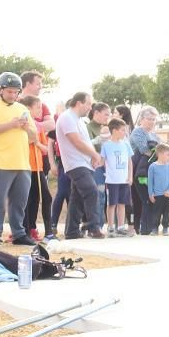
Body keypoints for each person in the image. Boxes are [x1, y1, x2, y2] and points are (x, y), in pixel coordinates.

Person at [0, 71, 37, 245]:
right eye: (9, 91)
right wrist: (10, 125)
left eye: (15, 91)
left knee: (19, 201)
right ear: (1, 90)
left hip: (22, 162)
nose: (12, 95)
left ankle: (19, 234)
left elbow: (33, 136)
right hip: (0, 162)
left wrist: (26, 127)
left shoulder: (22, 109)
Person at [54, 92, 104, 240]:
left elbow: (86, 143)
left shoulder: (80, 121)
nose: (90, 107)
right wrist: (95, 155)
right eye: (88, 104)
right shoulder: (67, 117)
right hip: (75, 163)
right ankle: (93, 227)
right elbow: (76, 142)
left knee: (77, 198)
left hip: (84, 163)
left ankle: (72, 231)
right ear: (79, 103)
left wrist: (92, 158)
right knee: (91, 191)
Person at [19, 71, 56, 241]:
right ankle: (24, 230)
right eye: (38, 109)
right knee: (26, 199)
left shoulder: (35, 125)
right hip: (26, 166)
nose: (41, 111)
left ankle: (48, 231)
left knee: (43, 197)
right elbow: (28, 141)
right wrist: (37, 143)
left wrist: (39, 143)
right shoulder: (23, 121)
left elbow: (42, 145)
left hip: (38, 166)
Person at [101, 119, 134, 236]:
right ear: (114, 131)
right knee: (111, 204)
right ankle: (110, 227)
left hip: (124, 180)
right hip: (111, 181)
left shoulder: (126, 144)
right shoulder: (106, 145)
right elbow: (101, 161)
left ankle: (120, 227)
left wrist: (130, 176)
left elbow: (130, 161)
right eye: (122, 130)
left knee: (122, 204)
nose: (124, 132)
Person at [141, 142, 169, 235]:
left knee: (167, 213)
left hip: (168, 195)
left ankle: (165, 228)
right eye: (167, 155)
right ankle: (155, 228)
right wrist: (151, 194)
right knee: (156, 213)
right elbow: (150, 181)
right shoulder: (152, 167)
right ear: (160, 154)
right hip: (157, 195)